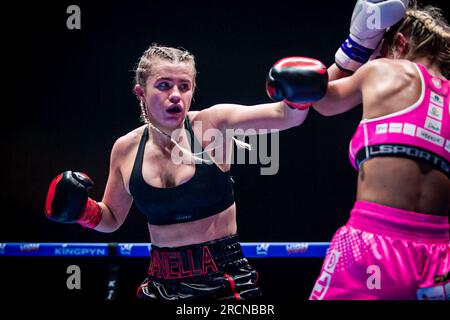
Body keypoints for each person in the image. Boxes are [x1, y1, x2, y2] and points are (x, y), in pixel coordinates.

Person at [44, 44, 328, 300]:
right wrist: (82, 211)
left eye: (184, 86)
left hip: (224, 284)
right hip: (159, 286)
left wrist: (297, 96)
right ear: (140, 92)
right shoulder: (126, 148)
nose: (176, 96)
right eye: (164, 85)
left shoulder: (212, 125)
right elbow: (112, 218)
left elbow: (286, 117)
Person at [309, 1, 450, 299]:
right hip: (443, 254)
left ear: (399, 43)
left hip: (373, 240)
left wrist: (356, 49)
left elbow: (321, 100)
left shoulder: (384, 70)